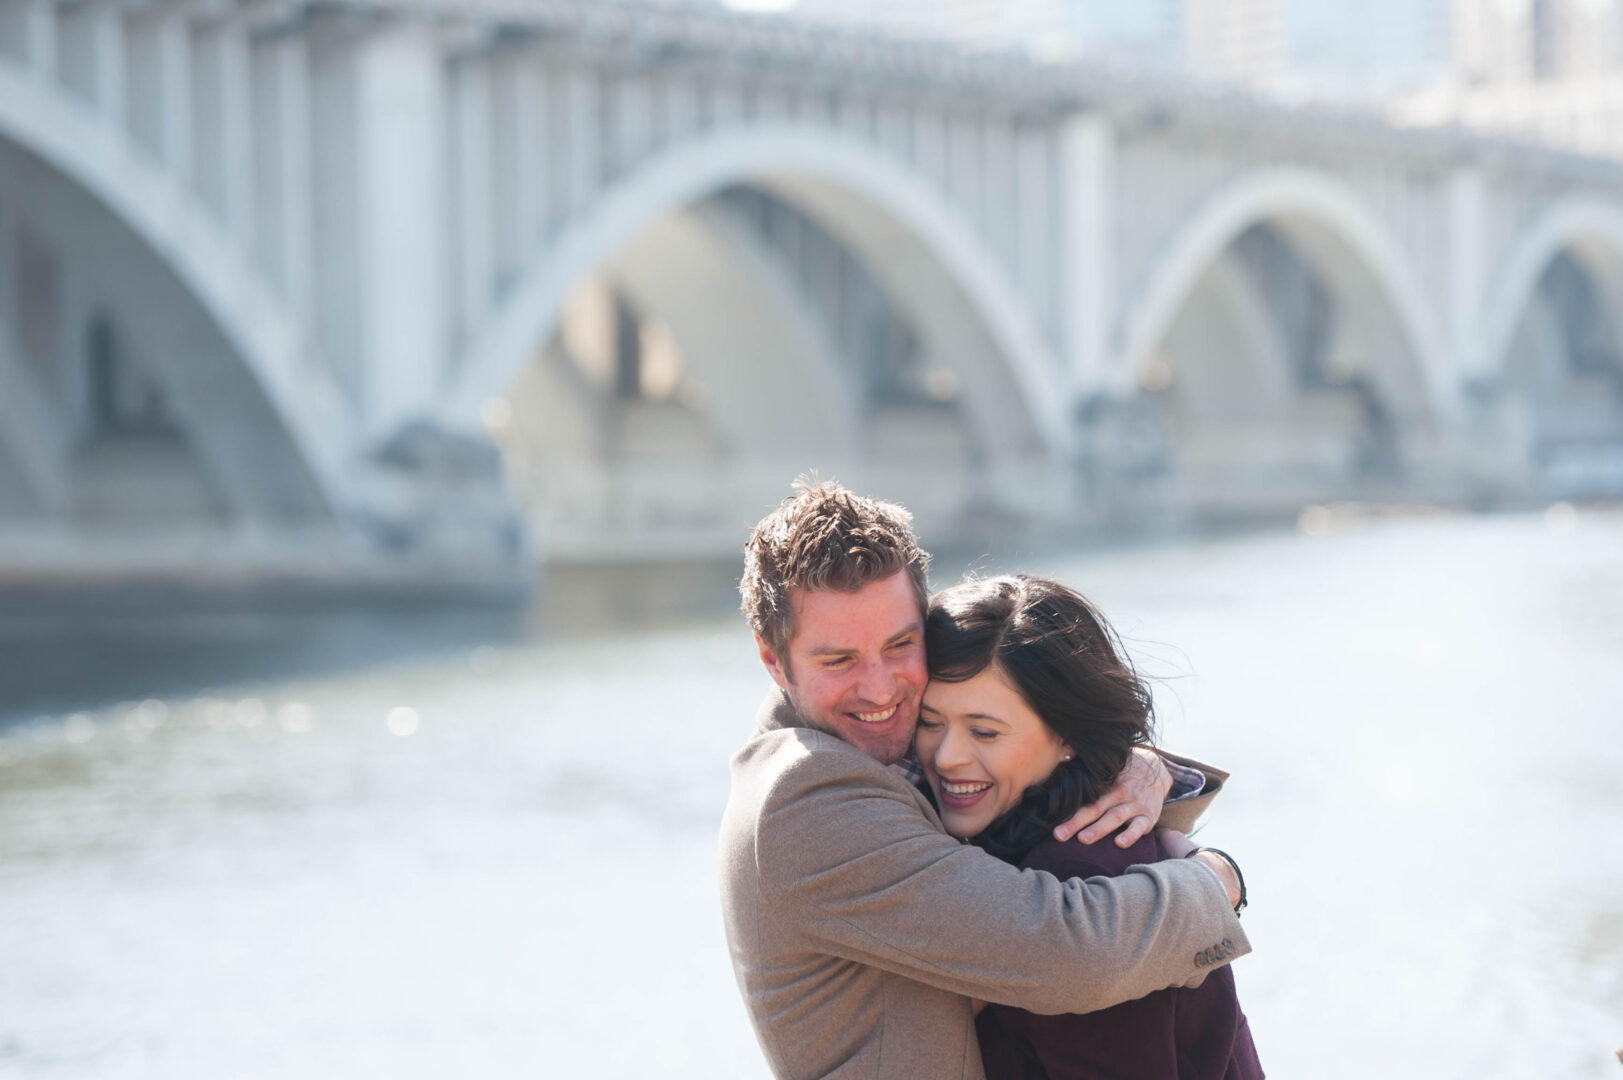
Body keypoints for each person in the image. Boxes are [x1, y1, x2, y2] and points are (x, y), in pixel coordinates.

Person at [719, 480, 1250, 1080]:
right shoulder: (810, 798)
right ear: (773, 659)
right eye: (838, 660)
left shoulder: (864, 745)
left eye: (900, 645)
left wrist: (1130, 761)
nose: (880, 688)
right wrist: (1218, 878)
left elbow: (1015, 717)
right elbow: (1064, 952)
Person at [915, 573, 1263, 1079]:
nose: (947, 757)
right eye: (929, 722)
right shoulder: (1010, 842)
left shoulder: (1077, 874)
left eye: (984, 731)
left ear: (1067, 736)